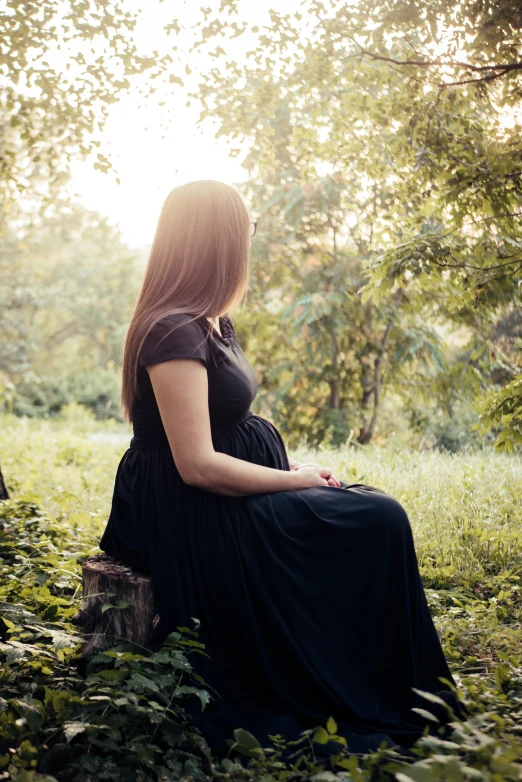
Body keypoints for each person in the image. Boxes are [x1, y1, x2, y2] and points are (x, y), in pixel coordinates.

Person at [99, 179, 463, 759]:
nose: (250, 239)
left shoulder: (211, 321)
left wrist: (291, 463)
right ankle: (370, 687)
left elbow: (223, 421)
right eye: (245, 228)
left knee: (369, 510)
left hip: (229, 489)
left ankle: (385, 683)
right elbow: (197, 466)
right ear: (214, 240)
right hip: (195, 509)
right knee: (377, 519)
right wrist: (295, 479)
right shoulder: (173, 331)